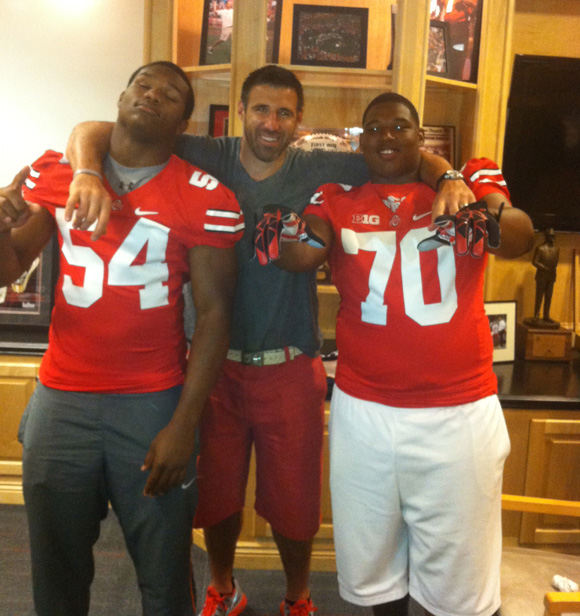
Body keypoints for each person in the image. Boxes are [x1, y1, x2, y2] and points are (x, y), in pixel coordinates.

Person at [64, 65, 478, 616]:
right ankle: (222, 586)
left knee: (295, 505)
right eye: (261, 109)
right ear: (241, 110)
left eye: (284, 113)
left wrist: (449, 176)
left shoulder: (320, 165)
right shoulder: (208, 153)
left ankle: (299, 596)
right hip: (212, 367)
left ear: (298, 120)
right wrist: (87, 172)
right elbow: (94, 129)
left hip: (290, 364)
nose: (271, 122)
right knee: (215, 498)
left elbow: (399, 150)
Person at [254, 92, 534, 616]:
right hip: (366, 411)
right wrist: (270, 228)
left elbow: (518, 236)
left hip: (457, 409)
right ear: (361, 141)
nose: (387, 136)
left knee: (462, 583)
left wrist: (476, 205)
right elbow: (298, 255)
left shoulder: (470, 177)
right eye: (375, 128)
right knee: (377, 571)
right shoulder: (337, 197)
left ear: (420, 135)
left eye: (400, 126)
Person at [0, 61, 243, 616]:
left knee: (163, 576)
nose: (152, 96)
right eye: (143, 85)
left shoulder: (206, 196)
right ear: (121, 95)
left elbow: (215, 316)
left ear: (184, 120)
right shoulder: (60, 171)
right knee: (55, 571)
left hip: (150, 401)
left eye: (170, 94)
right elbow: (9, 264)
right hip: (61, 397)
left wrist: (184, 426)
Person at [530, 228, 559, 326]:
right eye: (551, 236)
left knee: (549, 296)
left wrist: (552, 270)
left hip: (551, 276)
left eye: (553, 236)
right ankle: (536, 315)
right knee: (539, 296)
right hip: (541, 276)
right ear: (546, 237)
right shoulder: (540, 248)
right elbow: (534, 261)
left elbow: (556, 261)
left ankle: (546, 315)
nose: (553, 238)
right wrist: (544, 267)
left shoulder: (556, 249)